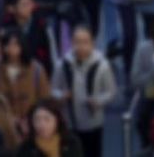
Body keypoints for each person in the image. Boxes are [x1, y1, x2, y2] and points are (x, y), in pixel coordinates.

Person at [51, 25, 117, 157]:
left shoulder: (102, 65)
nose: (81, 46)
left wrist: (98, 100)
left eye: (85, 42)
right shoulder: (62, 64)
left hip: (93, 122)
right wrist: (61, 96)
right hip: (70, 121)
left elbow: (111, 91)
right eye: (77, 42)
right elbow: (53, 89)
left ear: (92, 43)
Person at [15, 98, 84, 157]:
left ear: (57, 120)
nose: (41, 124)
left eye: (47, 119)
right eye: (37, 119)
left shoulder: (71, 143)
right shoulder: (26, 148)